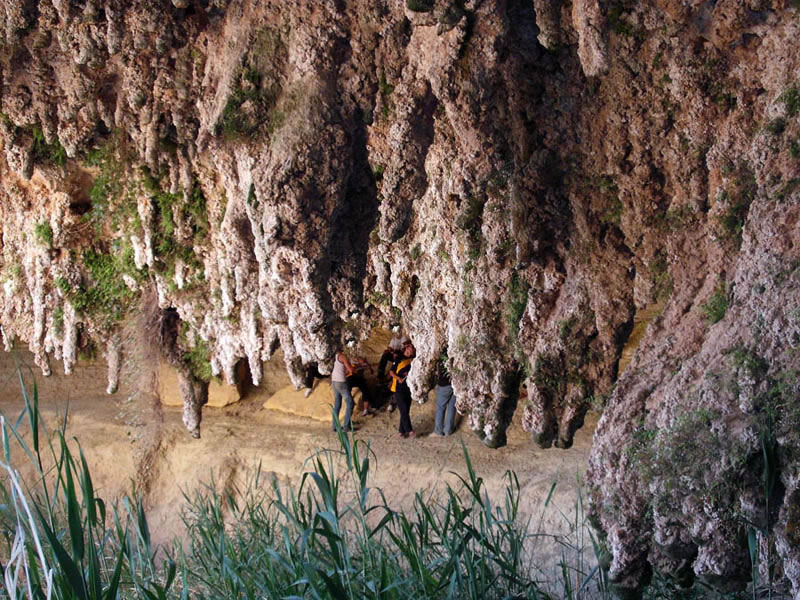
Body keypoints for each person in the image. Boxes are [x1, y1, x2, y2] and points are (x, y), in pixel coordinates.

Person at [389, 343, 415, 438]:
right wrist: (398, 378)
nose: (413, 349)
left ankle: (401, 431)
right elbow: (391, 372)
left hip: (408, 388)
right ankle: (410, 430)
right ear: (407, 349)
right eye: (411, 348)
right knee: (403, 410)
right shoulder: (398, 358)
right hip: (398, 389)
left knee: (405, 411)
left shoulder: (413, 359)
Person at [331, 349, 356, 431]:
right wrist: (357, 367)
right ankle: (346, 426)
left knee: (337, 404)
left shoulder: (336, 356)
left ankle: (334, 426)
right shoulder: (343, 357)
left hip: (334, 382)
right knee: (350, 403)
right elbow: (350, 370)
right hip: (341, 382)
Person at [433, 352, 457, 436]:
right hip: (455, 384)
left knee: (441, 407)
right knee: (452, 407)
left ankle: (439, 431)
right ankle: (448, 430)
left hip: (444, 386)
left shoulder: (441, 357)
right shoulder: (456, 356)